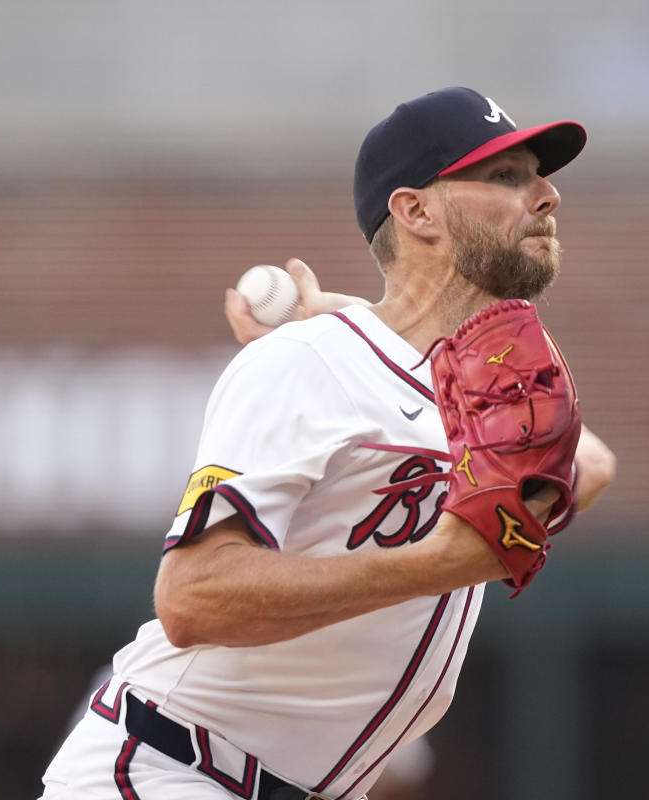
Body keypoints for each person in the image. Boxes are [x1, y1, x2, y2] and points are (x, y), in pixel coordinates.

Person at [38, 86, 616, 800]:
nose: (546, 194)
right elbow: (192, 597)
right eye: (505, 177)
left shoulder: (469, 390)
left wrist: (363, 312)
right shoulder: (309, 362)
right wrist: (433, 563)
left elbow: (588, 465)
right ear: (415, 211)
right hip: (171, 769)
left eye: (539, 173)